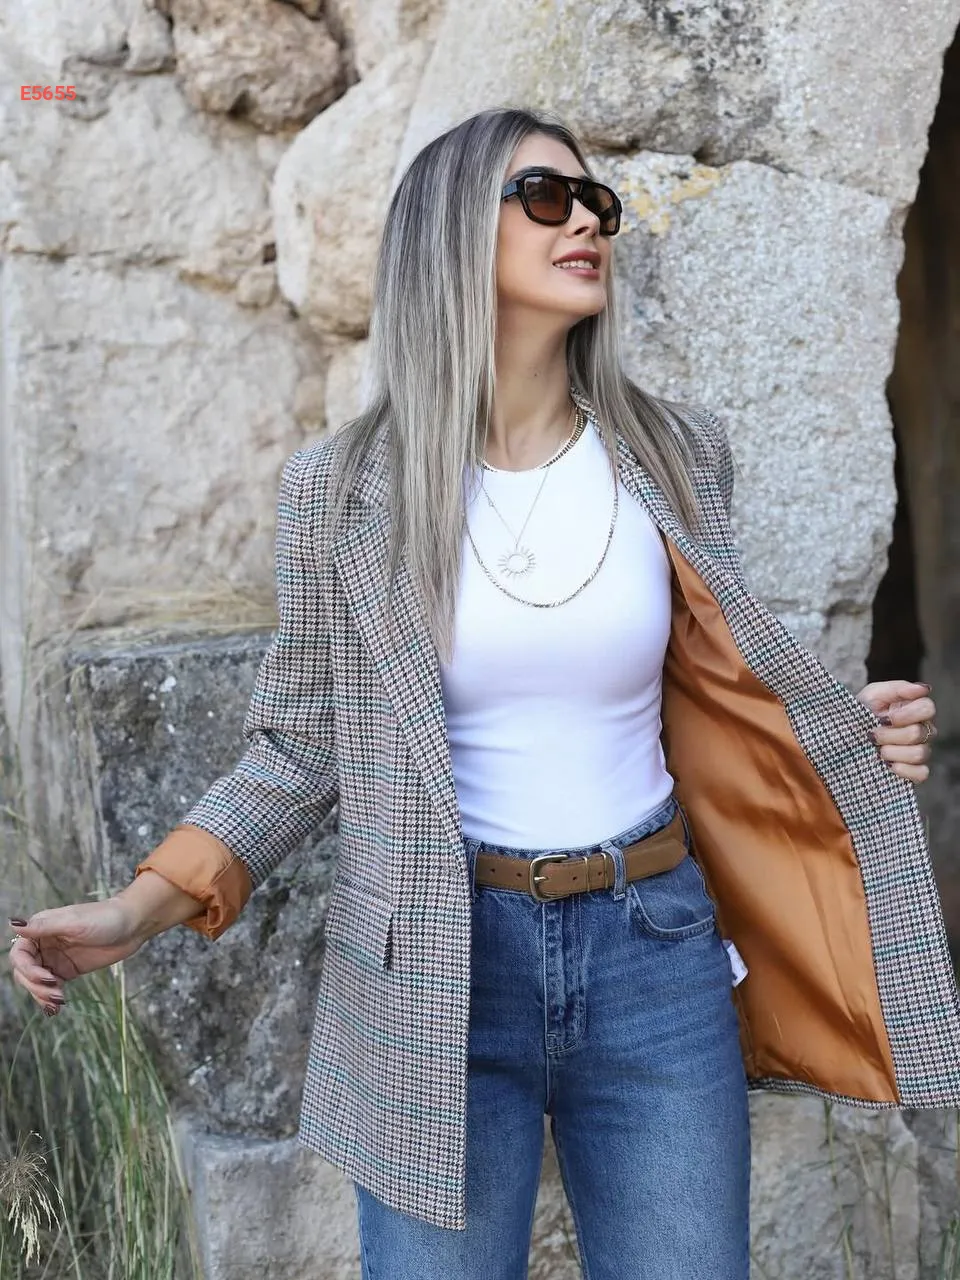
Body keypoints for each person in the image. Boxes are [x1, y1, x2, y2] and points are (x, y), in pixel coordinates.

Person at [8, 106, 954, 1280]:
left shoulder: (678, 453)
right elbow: (299, 747)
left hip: (654, 945)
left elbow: (711, 684)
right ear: (453, 233)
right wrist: (137, 909)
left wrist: (840, 738)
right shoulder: (343, 488)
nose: (586, 222)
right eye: (546, 198)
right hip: (434, 958)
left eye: (595, 202)